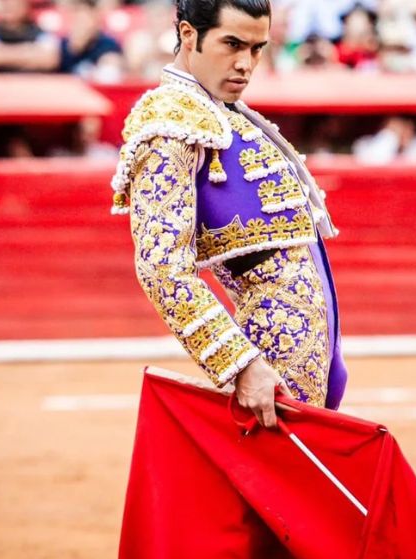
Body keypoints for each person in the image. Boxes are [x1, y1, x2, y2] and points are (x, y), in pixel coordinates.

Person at [112, 0, 348, 428]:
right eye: (232, 44)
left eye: (257, 49)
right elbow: (162, 270)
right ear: (189, 35)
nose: (246, 64)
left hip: (306, 348)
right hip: (268, 357)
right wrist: (241, 365)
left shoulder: (222, 111)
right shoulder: (169, 122)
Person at [0, 0, 60, 73]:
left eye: (14, 5)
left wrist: (4, 53)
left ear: (25, 7)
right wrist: (30, 51)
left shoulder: (40, 33)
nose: (8, 9)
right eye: (5, 5)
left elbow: (50, 60)